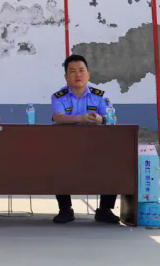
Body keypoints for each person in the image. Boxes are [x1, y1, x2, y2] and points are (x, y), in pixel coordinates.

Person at [51, 54, 120, 225]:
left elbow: (112, 118)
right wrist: (81, 118)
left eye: (81, 70)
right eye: (72, 71)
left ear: (88, 74)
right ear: (66, 77)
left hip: (96, 146)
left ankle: (105, 209)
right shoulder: (58, 96)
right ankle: (65, 209)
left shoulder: (100, 96)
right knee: (58, 165)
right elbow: (58, 117)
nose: (78, 75)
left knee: (113, 163)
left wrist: (101, 119)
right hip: (66, 147)